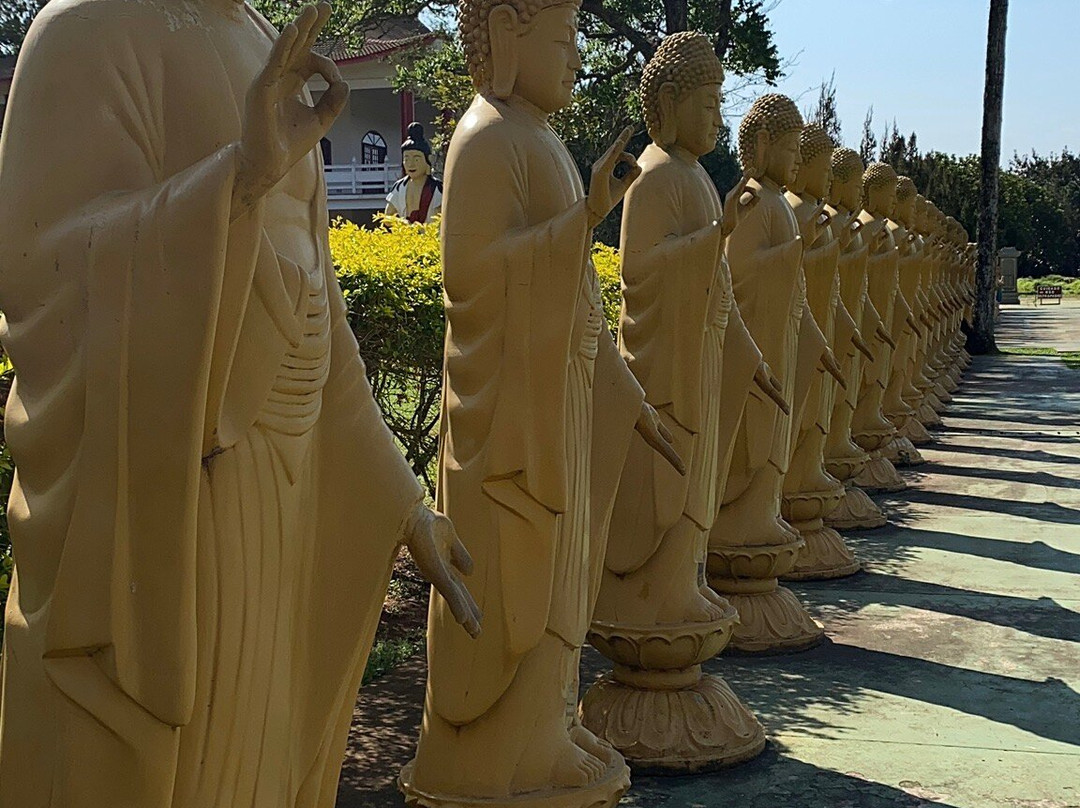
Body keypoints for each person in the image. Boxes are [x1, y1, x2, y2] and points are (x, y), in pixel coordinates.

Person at [0, 3, 480, 807]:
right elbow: (39, 276)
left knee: (263, 755)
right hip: (176, 500)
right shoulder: (88, 27)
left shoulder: (259, 35)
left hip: (288, 489)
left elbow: (321, 309)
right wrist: (239, 178)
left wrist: (400, 499)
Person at [384, 122, 443, 223]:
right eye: (406, 159)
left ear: (428, 160)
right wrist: (403, 223)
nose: (411, 164)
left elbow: (445, 217)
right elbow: (387, 217)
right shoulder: (399, 187)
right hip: (406, 232)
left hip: (430, 232)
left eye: (416, 159)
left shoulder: (437, 188)